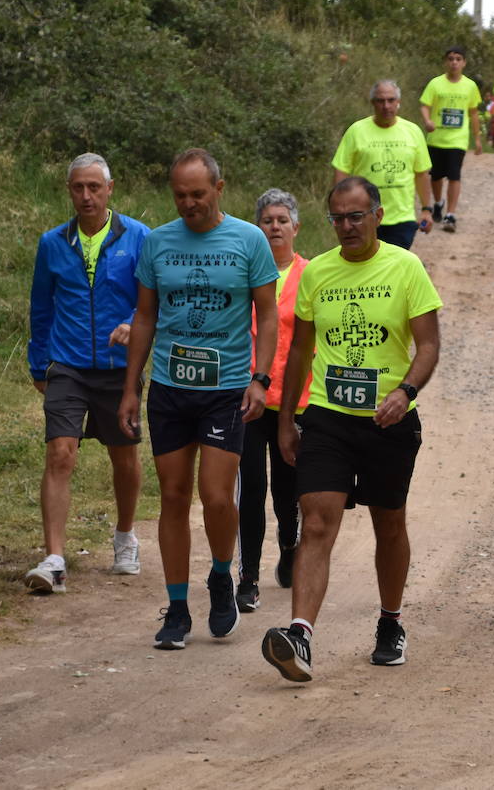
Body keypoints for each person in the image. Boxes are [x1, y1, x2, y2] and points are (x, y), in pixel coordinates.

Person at [261, 176, 442, 682]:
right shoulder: (317, 272)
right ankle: (300, 635)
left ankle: (390, 621)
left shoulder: (406, 268)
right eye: (337, 218)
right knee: (316, 521)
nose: (346, 226)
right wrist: (287, 421)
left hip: (389, 420)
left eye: (355, 216)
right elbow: (300, 349)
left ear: (378, 216)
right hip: (327, 416)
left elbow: (428, 345)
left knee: (389, 522)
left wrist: (404, 393)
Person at [119, 148, 280, 650]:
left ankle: (219, 574)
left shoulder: (249, 240)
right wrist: (131, 386)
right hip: (170, 387)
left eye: (197, 194)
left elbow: (269, 315)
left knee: (214, 495)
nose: (188, 204)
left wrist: (260, 379)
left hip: (226, 388)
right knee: (171, 496)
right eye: (180, 195)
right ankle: (177, 608)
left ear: (219, 189)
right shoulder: (159, 242)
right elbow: (144, 317)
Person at [25, 153, 151, 594]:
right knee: (61, 453)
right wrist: (38, 364)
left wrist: (133, 322)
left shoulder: (139, 238)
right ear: (69, 191)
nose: (86, 196)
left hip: (120, 368)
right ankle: (55, 558)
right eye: (78, 188)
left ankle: (125, 537)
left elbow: (153, 301)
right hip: (67, 363)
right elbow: (41, 307)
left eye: (94, 187)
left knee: (124, 455)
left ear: (110, 189)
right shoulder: (53, 242)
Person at [236, 189, 311, 613]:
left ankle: (288, 543)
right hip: (249, 398)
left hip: (296, 402)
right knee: (250, 488)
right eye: (267, 220)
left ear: (296, 227)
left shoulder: (312, 275)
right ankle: (247, 578)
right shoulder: (244, 275)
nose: (275, 227)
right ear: (256, 228)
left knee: (287, 492)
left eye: (283, 220)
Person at [332, 80, 434, 249]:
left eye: (391, 100)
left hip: (402, 218)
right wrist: (339, 211)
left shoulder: (413, 131)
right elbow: (341, 171)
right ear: (372, 103)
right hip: (363, 217)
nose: (386, 106)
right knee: (365, 267)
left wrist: (426, 210)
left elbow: (422, 174)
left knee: (393, 269)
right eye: (380, 101)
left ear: (398, 102)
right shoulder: (356, 131)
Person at [419, 47, 483, 233]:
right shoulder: (435, 84)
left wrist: (477, 139)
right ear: (445, 62)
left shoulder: (470, 86)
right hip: (436, 139)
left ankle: (451, 214)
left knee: (454, 175)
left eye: (458, 59)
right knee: (436, 176)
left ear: (464, 63)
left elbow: (473, 113)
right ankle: (438, 203)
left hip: (458, 140)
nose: (454, 62)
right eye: (450, 59)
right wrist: (427, 120)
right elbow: (424, 105)